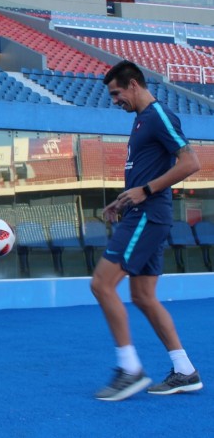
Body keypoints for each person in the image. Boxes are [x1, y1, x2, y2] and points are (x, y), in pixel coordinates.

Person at [91, 60, 203, 402]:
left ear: (134, 85)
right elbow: (146, 176)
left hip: (148, 215)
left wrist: (145, 192)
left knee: (101, 284)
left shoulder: (159, 115)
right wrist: (124, 200)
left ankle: (130, 370)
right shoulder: (142, 122)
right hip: (140, 212)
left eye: (116, 93)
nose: (114, 100)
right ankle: (184, 370)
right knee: (142, 296)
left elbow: (191, 162)